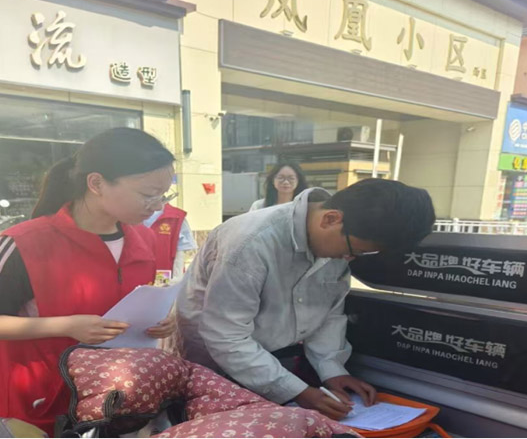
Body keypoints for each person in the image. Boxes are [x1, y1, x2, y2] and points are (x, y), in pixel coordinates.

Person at [0, 128, 177, 435]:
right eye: (148, 194)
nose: (158, 205)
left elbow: (132, 305)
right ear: (96, 183)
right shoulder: (23, 243)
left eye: (164, 195)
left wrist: (161, 321)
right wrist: (67, 326)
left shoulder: (145, 240)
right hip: (40, 403)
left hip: (115, 400)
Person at [176, 179, 435, 420]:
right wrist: (297, 391)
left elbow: (327, 311)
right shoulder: (250, 243)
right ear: (331, 219)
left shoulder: (338, 240)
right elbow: (226, 336)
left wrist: (332, 370)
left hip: (270, 359)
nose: (349, 259)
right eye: (353, 251)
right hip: (214, 361)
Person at [143, 202, 197, 282]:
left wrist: (177, 280)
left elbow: (180, 253)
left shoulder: (176, 217)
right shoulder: (127, 216)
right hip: (132, 277)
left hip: (163, 277)